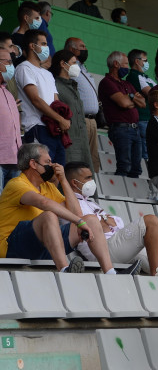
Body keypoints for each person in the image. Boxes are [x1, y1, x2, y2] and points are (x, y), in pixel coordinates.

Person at [0, 144, 113, 273]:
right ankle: (64, 269)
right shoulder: (16, 184)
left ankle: (110, 272)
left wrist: (63, 180)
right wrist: (79, 221)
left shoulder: (48, 187)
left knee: (91, 220)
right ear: (33, 163)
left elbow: (77, 213)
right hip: (10, 246)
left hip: (42, 246)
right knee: (49, 216)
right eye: (48, 162)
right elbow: (44, 203)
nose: (53, 165)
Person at [64, 161, 158, 276]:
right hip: (102, 251)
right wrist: (103, 222)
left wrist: (103, 222)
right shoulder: (67, 204)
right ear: (74, 183)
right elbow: (86, 224)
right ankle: (156, 271)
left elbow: (114, 224)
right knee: (151, 221)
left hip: (118, 245)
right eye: (88, 178)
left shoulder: (91, 203)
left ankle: (156, 279)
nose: (91, 181)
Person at [16, 30, 70, 164]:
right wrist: (60, 119)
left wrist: (61, 119)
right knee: (42, 170)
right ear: (32, 46)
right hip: (36, 127)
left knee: (57, 171)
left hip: (53, 128)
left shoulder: (48, 74)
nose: (47, 48)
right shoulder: (24, 68)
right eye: (43, 44)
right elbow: (35, 100)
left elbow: (56, 102)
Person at [98, 51, 145, 178]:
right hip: (121, 129)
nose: (127, 67)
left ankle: (133, 194)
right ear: (116, 64)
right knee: (125, 166)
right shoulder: (107, 82)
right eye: (125, 64)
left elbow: (142, 103)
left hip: (135, 129)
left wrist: (130, 99)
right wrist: (132, 97)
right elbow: (123, 103)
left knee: (136, 168)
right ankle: (122, 192)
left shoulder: (127, 84)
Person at [50, 50, 91, 171]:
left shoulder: (73, 86)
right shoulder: (55, 85)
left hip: (82, 139)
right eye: (74, 63)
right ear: (63, 64)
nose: (77, 67)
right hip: (68, 141)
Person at [63, 38, 100, 172]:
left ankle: (92, 188)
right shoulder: (71, 68)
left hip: (92, 120)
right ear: (72, 49)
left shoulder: (83, 68)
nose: (85, 49)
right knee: (82, 157)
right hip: (80, 119)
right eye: (82, 46)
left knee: (93, 157)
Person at [125, 49, 156, 161]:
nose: (147, 63)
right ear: (137, 61)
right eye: (145, 60)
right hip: (142, 119)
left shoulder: (145, 77)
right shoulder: (134, 76)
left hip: (150, 119)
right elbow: (154, 94)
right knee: (146, 155)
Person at [0, 47, 21, 191]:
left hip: (15, 160)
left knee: (10, 209)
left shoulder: (8, 93)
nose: (10, 65)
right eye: (7, 61)